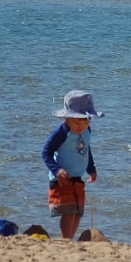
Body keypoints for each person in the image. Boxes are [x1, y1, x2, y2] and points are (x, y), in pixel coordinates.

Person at [42, 90, 101, 240]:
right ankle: (65, 240)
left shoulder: (87, 130)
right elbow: (46, 152)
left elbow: (87, 150)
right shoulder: (61, 132)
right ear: (66, 117)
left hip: (78, 177)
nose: (81, 126)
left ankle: (70, 240)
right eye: (77, 121)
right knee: (69, 211)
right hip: (62, 178)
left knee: (78, 212)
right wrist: (56, 170)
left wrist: (91, 169)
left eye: (85, 121)